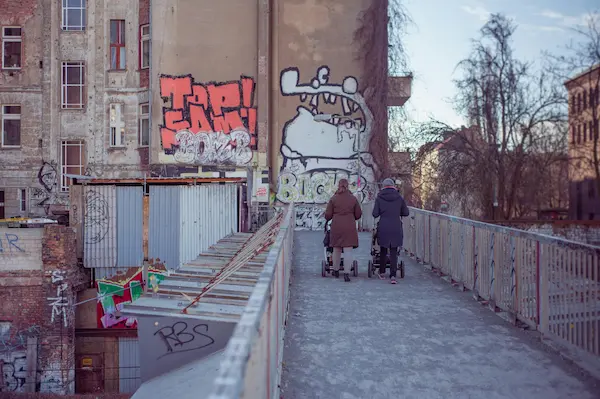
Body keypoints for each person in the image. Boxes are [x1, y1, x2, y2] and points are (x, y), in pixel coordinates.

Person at [372, 178, 409, 284]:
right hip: (396, 226)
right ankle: (393, 275)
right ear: (393, 186)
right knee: (394, 251)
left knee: (383, 249)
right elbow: (405, 212)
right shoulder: (399, 198)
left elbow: (375, 214)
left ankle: (382, 272)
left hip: (383, 226)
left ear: (383, 186)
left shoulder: (379, 198)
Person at [324, 179, 362, 282]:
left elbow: (328, 215)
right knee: (348, 250)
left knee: (336, 248)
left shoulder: (334, 199)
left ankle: (336, 271)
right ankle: (346, 273)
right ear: (348, 186)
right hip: (349, 226)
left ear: (339, 186)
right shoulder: (353, 199)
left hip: (336, 226)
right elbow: (358, 214)